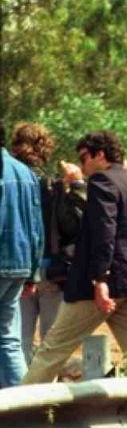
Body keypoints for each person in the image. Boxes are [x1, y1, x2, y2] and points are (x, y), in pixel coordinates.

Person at [24, 131, 127, 385]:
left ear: (100, 155)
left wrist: (100, 279)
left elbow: (104, 232)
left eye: (84, 157)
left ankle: (16, 409)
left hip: (97, 287)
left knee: (51, 351)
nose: (82, 164)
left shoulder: (102, 182)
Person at [9, 123, 64, 365]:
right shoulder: (54, 184)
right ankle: (47, 387)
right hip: (51, 268)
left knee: (17, 340)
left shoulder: (11, 180)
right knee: (51, 343)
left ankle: (18, 387)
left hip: (19, 266)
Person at [1, 125, 44, 388]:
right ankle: (23, 407)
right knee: (8, 339)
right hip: (19, 265)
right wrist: (33, 273)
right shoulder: (25, 172)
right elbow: (36, 228)